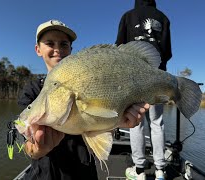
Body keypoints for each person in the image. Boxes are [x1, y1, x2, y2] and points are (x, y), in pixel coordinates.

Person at [14, 19, 151, 180]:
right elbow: (24, 145)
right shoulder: (32, 91)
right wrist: (38, 150)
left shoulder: (88, 76)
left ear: (70, 49)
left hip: (85, 173)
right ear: (38, 49)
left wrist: (120, 122)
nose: (57, 49)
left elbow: (100, 121)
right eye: (50, 43)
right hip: (47, 175)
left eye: (63, 44)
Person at [115, 0, 172, 180]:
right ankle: (160, 170)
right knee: (157, 122)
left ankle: (139, 170)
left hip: (134, 78)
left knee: (135, 122)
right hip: (158, 77)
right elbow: (168, 52)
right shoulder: (163, 18)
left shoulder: (127, 16)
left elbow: (119, 47)